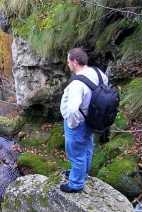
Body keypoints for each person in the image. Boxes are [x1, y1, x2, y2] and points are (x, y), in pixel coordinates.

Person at [59, 47, 108, 193]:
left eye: (68, 61)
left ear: (75, 62)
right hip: (92, 120)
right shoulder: (98, 73)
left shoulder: (77, 84)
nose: (68, 64)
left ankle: (75, 184)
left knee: (76, 154)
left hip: (79, 123)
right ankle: (82, 173)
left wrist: (72, 123)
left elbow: (73, 108)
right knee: (86, 149)